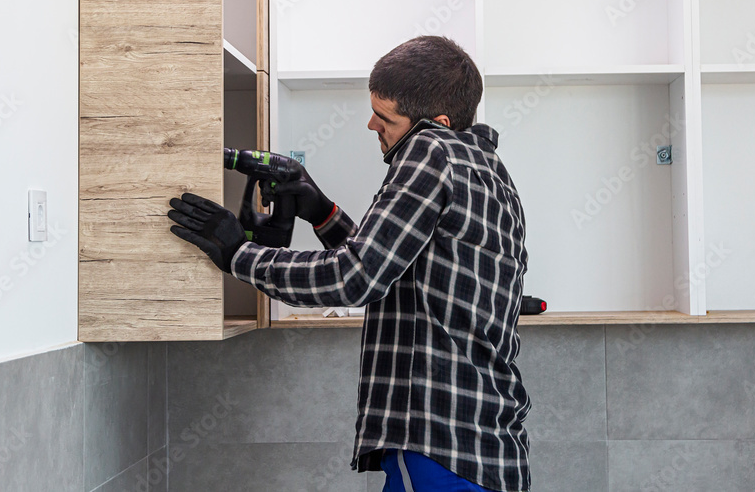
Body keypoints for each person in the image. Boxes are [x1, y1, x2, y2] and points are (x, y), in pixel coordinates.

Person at [168, 35, 531, 492]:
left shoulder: (431, 150)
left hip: (439, 441)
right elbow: (399, 270)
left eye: (386, 118)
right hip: (480, 445)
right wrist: (321, 211)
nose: (371, 125)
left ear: (437, 123)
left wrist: (238, 254)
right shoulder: (489, 171)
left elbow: (355, 278)